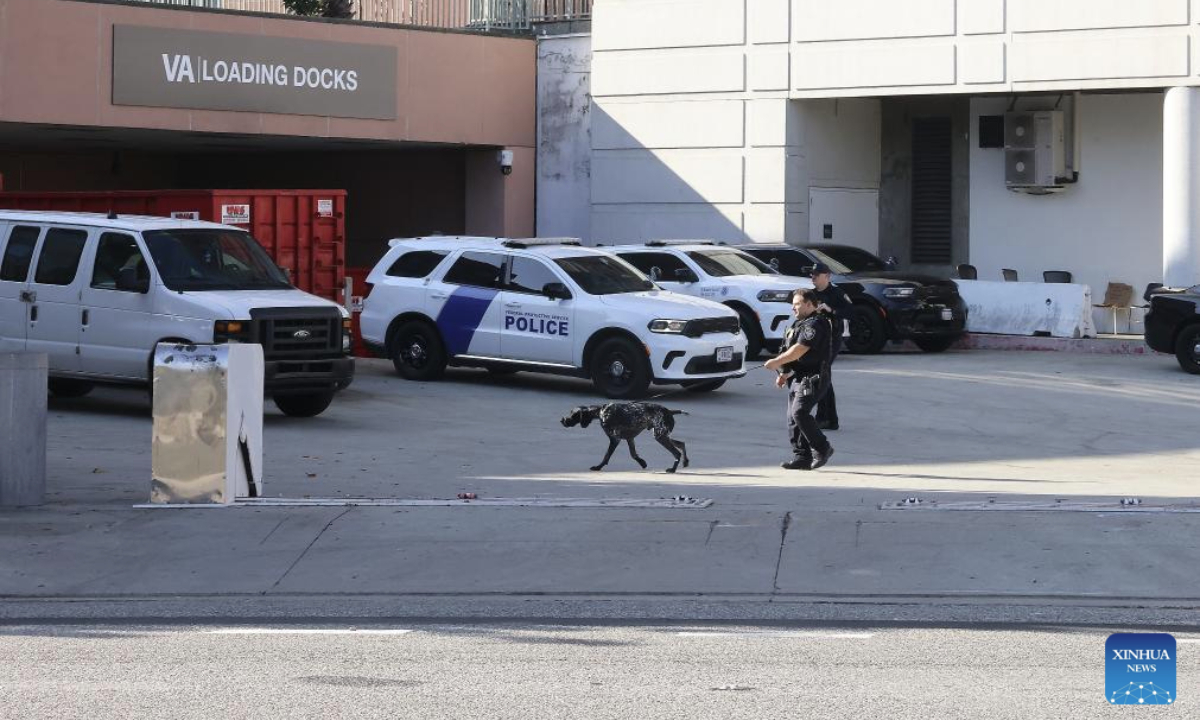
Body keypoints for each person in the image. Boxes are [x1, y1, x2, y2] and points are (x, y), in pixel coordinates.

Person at [763, 289, 835, 471]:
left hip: (814, 377)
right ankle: (802, 457)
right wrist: (783, 373)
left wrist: (775, 362)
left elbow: (800, 350)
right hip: (798, 377)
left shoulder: (816, 323)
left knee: (800, 412)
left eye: (797, 304)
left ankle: (823, 448)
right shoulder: (798, 324)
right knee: (792, 418)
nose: (793, 307)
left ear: (810, 304)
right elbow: (790, 351)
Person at [808, 263, 852, 431]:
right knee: (821, 376)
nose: (813, 277)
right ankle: (828, 418)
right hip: (816, 339)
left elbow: (850, 312)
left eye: (816, 275)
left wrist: (830, 309)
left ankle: (826, 418)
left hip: (832, 340)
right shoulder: (810, 294)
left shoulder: (837, 294)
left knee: (822, 374)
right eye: (812, 275)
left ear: (827, 276)